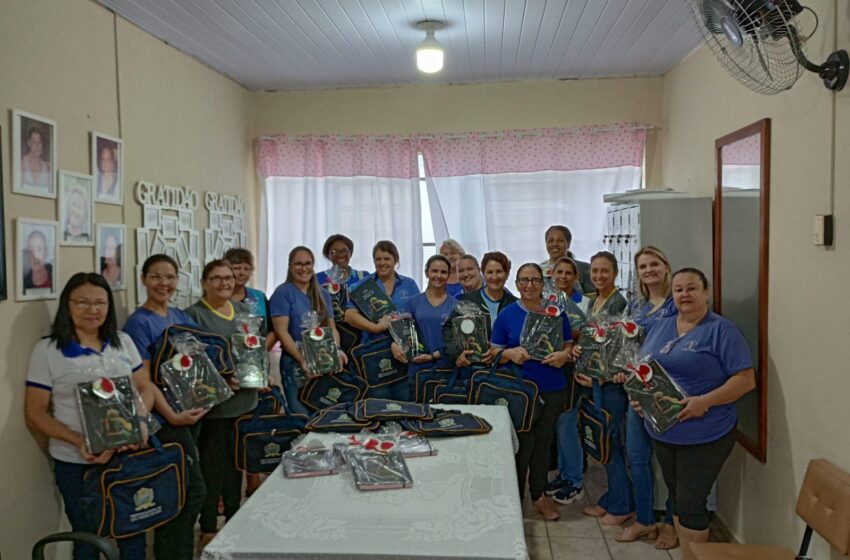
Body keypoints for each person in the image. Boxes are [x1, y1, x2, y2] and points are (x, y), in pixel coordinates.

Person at [24, 273, 154, 559]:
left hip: (127, 455)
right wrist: (79, 440)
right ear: (66, 305)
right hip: (78, 462)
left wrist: (141, 422)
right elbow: (35, 413)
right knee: (88, 540)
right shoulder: (47, 351)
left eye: (100, 303)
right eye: (82, 302)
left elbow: (145, 388)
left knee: (134, 533)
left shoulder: (123, 341)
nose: (92, 310)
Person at [632, 268, 755, 559]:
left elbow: (745, 379)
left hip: (706, 432)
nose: (684, 295)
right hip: (664, 429)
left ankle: (694, 555)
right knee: (676, 497)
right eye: (678, 289)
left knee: (690, 503)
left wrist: (705, 401)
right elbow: (646, 369)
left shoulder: (720, 330)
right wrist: (641, 400)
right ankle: (688, 553)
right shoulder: (662, 325)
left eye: (691, 288)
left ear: (706, 292)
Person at [123, 254, 207, 560]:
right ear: (144, 279)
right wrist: (173, 416)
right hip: (165, 420)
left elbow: (198, 367)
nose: (164, 283)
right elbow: (142, 381)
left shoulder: (181, 317)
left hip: (191, 413)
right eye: (156, 277)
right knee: (186, 492)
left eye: (170, 277)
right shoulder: (138, 323)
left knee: (183, 492)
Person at [184, 260, 258, 549]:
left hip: (244, 402)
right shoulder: (194, 316)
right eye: (216, 278)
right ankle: (208, 526)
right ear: (204, 282)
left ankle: (234, 516)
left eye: (228, 278)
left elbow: (253, 349)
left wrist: (257, 375)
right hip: (215, 408)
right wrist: (221, 382)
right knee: (212, 469)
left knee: (236, 467)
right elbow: (191, 364)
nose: (224, 283)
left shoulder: (242, 312)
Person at [491, 263, 573, 521]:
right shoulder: (506, 314)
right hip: (519, 391)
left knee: (543, 444)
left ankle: (539, 495)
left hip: (552, 387)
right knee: (521, 445)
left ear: (542, 283)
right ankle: (514, 497)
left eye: (535, 280)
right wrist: (508, 353)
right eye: (524, 280)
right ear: (516, 284)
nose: (529, 285)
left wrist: (564, 355)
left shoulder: (556, 312)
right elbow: (492, 352)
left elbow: (569, 346)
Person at [617, 246, 679, 546]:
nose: (649, 270)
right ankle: (644, 519)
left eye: (655, 264)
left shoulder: (678, 304)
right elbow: (625, 346)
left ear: (666, 266)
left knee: (671, 461)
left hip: (669, 393)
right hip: (637, 392)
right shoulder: (636, 306)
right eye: (643, 266)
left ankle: (670, 521)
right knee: (637, 457)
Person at [576, 251, 634, 526]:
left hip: (610, 385)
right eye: (595, 271)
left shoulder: (619, 304)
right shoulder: (594, 300)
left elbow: (620, 352)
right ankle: (612, 498)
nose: (599, 276)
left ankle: (622, 505)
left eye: (605, 271)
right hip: (595, 380)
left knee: (610, 443)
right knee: (603, 440)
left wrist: (598, 378)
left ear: (615, 273)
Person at [269, 247, 347, 414]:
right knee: (301, 415)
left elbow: (331, 328)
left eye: (307, 263)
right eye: (298, 264)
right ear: (290, 266)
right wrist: (303, 359)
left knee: (324, 413)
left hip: (323, 361)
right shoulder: (283, 293)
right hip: (295, 363)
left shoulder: (324, 294)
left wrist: (337, 351)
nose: (303, 268)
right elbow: (281, 332)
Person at [344, 240, 420, 400]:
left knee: (404, 401)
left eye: (387, 259)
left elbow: (418, 315)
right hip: (374, 353)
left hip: (403, 350)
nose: (382, 263)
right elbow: (349, 315)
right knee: (378, 403)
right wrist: (376, 327)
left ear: (395, 260)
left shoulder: (409, 284)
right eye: (378, 259)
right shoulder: (364, 285)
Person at [547, 256, 592, 505]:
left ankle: (575, 480)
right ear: (552, 275)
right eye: (559, 272)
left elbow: (589, 335)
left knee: (568, 427)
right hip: (556, 370)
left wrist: (571, 334)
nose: (563, 277)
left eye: (568, 273)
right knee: (560, 426)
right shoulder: (548, 302)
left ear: (576, 278)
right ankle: (565, 474)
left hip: (576, 372)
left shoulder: (584, 303)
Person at [443, 251, 517, 368]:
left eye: (499, 271)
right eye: (489, 272)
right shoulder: (468, 300)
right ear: (483, 273)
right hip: (476, 369)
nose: (494, 277)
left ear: (507, 274)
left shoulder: (514, 304)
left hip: (507, 371)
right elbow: (448, 329)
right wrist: (457, 354)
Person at [392, 255, 458, 380]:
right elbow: (403, 334)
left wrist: (433, 356)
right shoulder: (412, 303)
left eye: (443, 272)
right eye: (434, 271)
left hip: (447, 370)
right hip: (418, 368)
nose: (439, 276)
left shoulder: (456, 305)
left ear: (449, 275)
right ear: (427, 273)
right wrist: (395, 344)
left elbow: (457, 343)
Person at [539, 225, 592, 294]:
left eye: (560, 241)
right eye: (551, 240)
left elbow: (592, 298)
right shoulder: (539, 270)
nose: (555, 244)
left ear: (568, 243)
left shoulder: (584, 268)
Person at [21, 125, 51, 191]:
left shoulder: (47, 167)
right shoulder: (22, 164)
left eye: (39, 142)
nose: (37, 146)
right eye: (34, 142)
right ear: (29, 143)